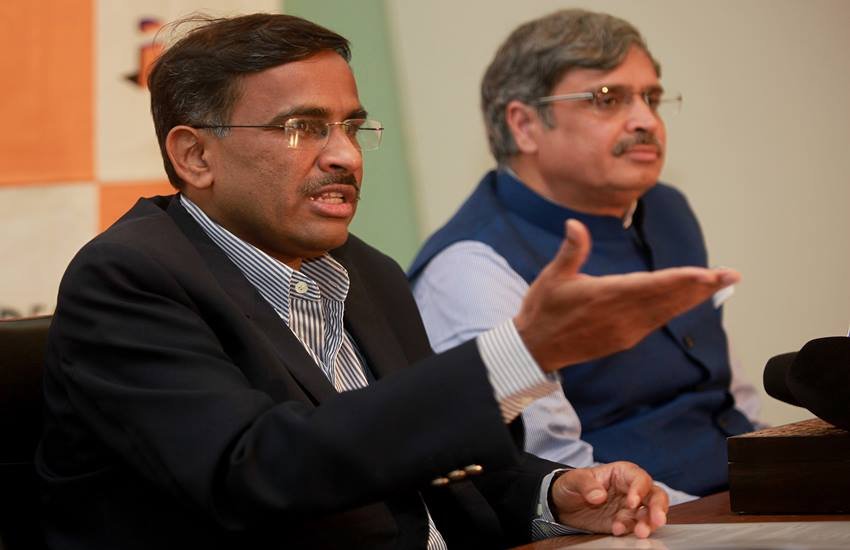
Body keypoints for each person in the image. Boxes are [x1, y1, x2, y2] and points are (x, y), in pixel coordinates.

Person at [37, 13, 737, 549]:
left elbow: (452, 466)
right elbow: (258, 471)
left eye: (351, 126)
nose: (345, 156)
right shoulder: (129, 278)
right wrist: (520, 354)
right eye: (303, 128)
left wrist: (557, 496)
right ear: (195, 156)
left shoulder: (367, 270)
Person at [409, 9, 760, 502]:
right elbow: (554, 468)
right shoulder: (472, 266)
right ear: (525, 125)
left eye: (651, 98)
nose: (646, 121)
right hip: (642, 518)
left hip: (746, 491)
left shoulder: (666, 208)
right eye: (607, 99)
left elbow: (730, 391)